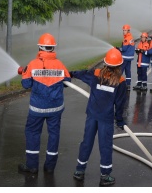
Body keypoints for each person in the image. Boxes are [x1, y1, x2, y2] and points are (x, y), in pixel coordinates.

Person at [71, 48, 127, 187]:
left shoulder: (96, 74)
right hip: (105, 119)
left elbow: (82, 74)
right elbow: (120, 104)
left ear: (105, 62)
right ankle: (105, 175)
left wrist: (70, 74)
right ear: (120, 65)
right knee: (105, 146)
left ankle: (79, 170)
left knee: (86, 143)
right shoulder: (120, 81)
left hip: (92, 115)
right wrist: (119, 120)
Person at [17, 33, 71, 175]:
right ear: (53, 48)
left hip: (37, 109)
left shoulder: (33, 64)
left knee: (33, 133)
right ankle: (50, 167)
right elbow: (67, 82)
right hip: (55, 109)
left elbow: (26, 83)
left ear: (40, 47)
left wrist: (24, 72)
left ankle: (32, 166)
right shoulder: (59, 64)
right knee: (54, 135)